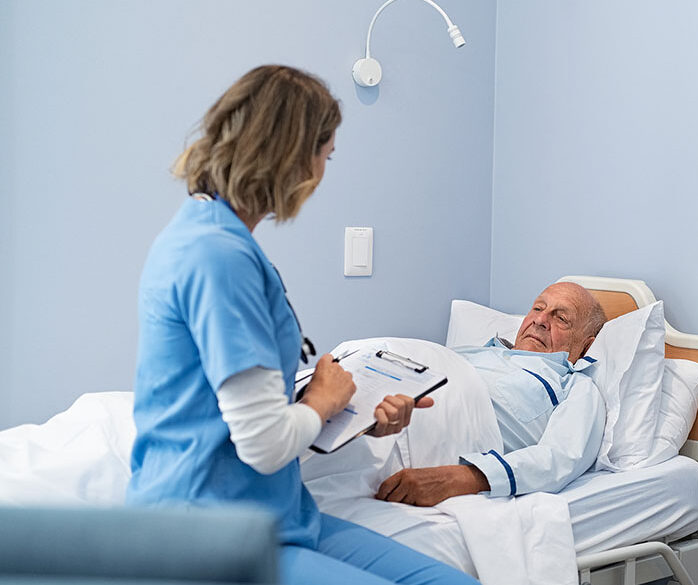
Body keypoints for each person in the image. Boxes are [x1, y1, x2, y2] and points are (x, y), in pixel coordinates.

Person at [126, 65, 479, 585]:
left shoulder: (217, 238)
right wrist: (322, 400)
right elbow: (264, 443)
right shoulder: (216, 256)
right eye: (324, 155)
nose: (320, 174)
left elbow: (245, 407)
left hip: (277, 517)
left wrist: (355, 413)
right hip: (208, 538)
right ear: (290, 153)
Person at [375, 281, 607, 506]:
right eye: (538, 308)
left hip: (423, 441)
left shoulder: (576, 386)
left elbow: (560, 457)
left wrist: (462, 478)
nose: (540, 320)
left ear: (585, 347)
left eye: (562, 319)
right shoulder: (470, 352)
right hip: (382, 409)